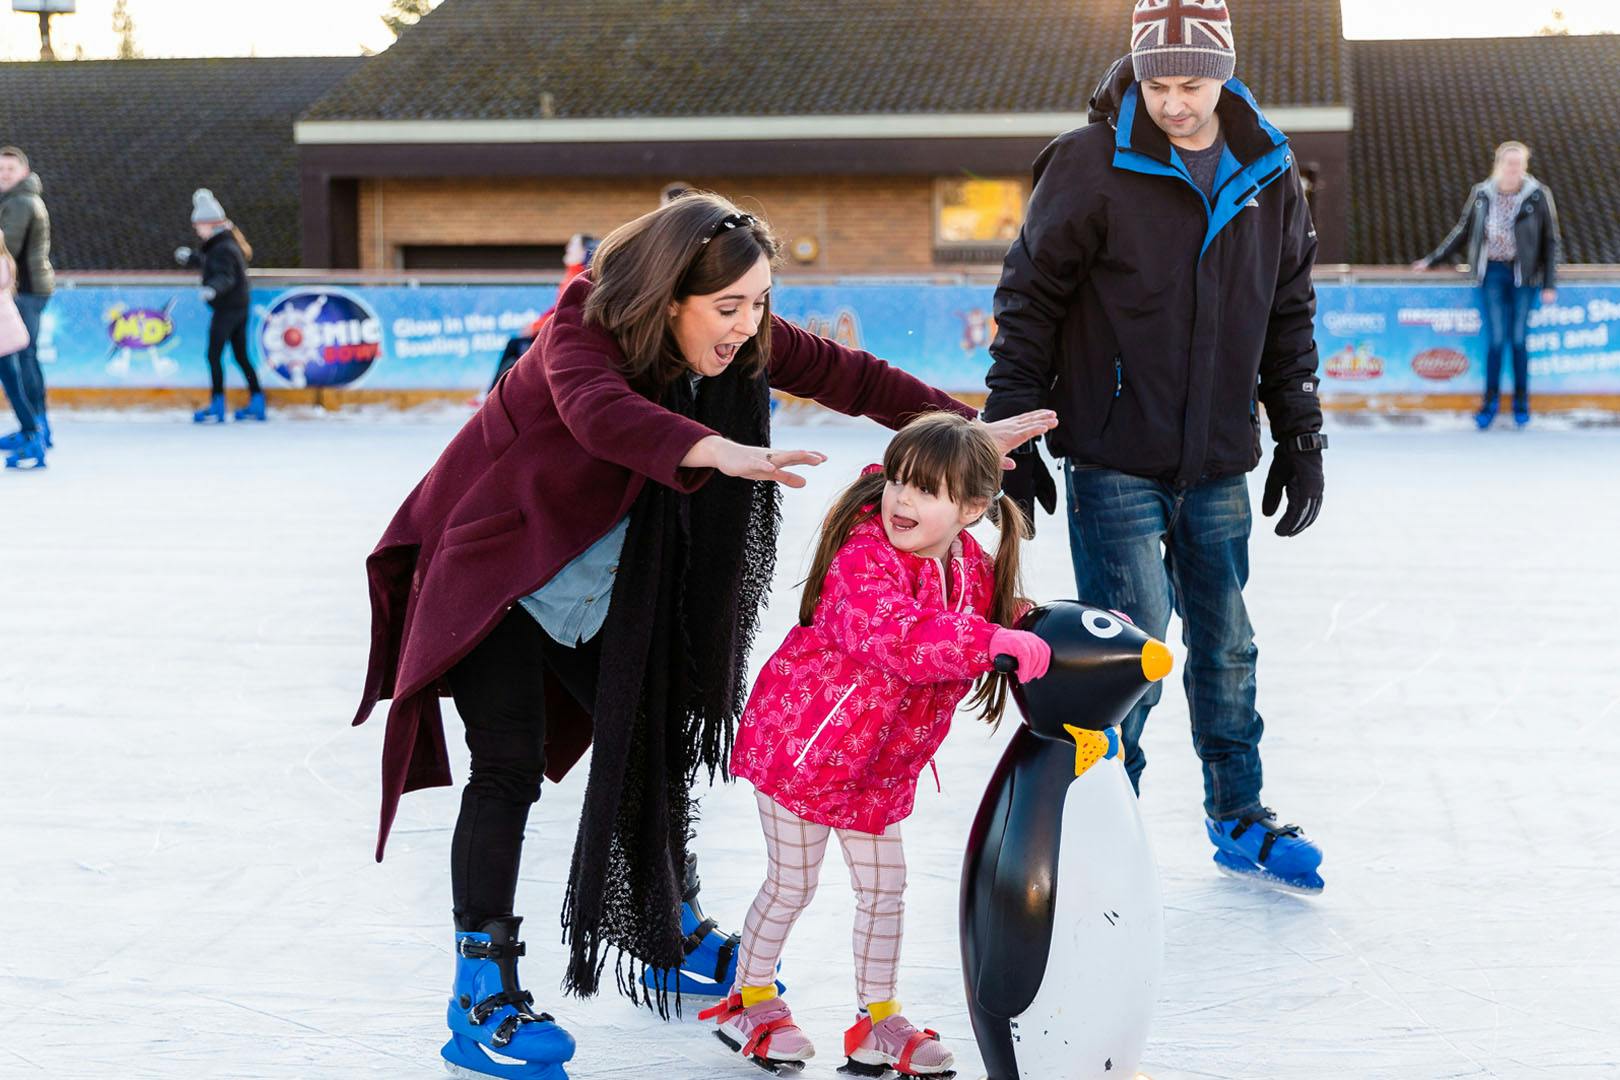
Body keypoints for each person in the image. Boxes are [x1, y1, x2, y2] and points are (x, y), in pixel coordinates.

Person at [350, 191, 1057, 1080]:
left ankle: (665, 928)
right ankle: (480, 991)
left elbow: (850, 375)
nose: (748, 327)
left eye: (759, 304)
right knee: (508, 767)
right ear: (668, 295)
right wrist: (714, 450)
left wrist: (960, 433)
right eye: (730, 309)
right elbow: (598, 413)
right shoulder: (582, 332)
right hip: (496, 578)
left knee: (653, 741)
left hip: (599, 591)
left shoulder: (737, 332)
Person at [984, 0, 1327, 893]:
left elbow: (1288, 312)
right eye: (1158, 82)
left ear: (1226, 72)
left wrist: (1299, 430)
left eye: (1194, 82)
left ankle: (1238, 813)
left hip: (1218, 457)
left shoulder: (1268, 170)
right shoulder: (1089, 163)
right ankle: (1108, 824)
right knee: (1130, 648)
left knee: (1227, 646)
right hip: (1114, 455)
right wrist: (1014, 427)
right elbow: (1029, 299)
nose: (1176, 102)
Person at [702, 413, 1050, 1076]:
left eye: (927, 490)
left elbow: (990, 613)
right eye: (898, 481)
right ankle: (750, 999)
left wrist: (1039, 628)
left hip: (877, 768)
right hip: (803, 750)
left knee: (887, 887)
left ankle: (877, 1022)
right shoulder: (864, 556)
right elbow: (905, 637)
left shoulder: (967, 564)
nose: (902, 500)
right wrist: (991, 644)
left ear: (973, 509)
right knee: (793, 884)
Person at [1412, 141, 1561, 429]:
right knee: (1495, 341)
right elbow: (1463, 231)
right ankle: (1489, 404)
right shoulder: (1482, 194)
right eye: (1509, 163)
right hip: (1491, 273)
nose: (1513, 168)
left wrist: (1549, 283)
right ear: (1499, 164)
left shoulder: (1538, 196)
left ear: (1524, 166)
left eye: (1519, 164)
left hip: (1524, 276)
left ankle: (1521, 403)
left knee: (1518, 340)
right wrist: (1431, 260)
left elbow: (1550, 240)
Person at [175, 189, 264, 423]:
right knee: (241, 355)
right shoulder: (222, 244)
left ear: (210, 225)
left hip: (228, 308)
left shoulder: (224, 247)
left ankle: (218, 404)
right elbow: (211, 262)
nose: (196, 229)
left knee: (214, 355)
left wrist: (212, 288)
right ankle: (257, 401)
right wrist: (193, 258)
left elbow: (226, 276)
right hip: (238, 306)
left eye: (198, 225)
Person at [487, 233, 599, 392]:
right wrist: (536, 324)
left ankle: (492, 394)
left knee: (515, 349)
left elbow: (564, 313)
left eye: (573, 245)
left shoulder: (580, 278)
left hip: (559, 339)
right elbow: (556, 308)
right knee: (514, 350)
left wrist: (535, 327)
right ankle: (493, 393)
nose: (567, 248)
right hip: (554, 334)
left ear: (584, 252)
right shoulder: (571, 275)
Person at [0, 146, 54, 455]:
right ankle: (32, 426)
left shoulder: (20, 202)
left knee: (24, 357)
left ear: (23, 171)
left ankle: (37, 428)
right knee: (20, 359)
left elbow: (7, 248)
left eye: (10, 169)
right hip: (26, 289)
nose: (5, 174)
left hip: (26, 291)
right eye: (1, 169)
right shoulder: (15, 200)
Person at [0, 245, 41, 469]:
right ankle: (31, 433)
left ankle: (32, 436)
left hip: (3, 340)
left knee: (14, 390)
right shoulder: (5, 262)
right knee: (14, 390)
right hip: (8, 337)